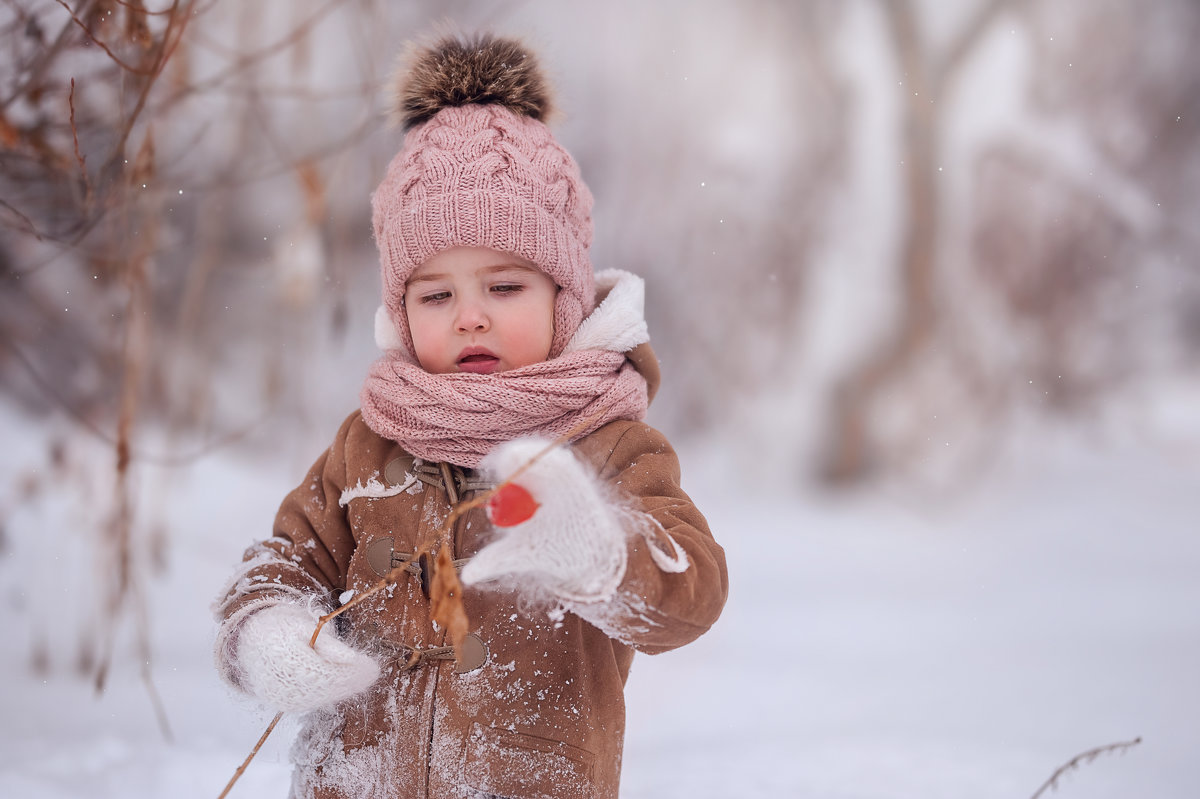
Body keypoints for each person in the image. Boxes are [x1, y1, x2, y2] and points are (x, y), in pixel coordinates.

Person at [213, 33, 728, 799]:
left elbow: (693, 592)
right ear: (401, 308)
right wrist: (271, 633)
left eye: (505, 287)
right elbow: (284, 560)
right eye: (436, 294)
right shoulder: (370, 441)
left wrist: (602, 556)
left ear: (565, 297)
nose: (470, 318)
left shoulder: (606, 443)